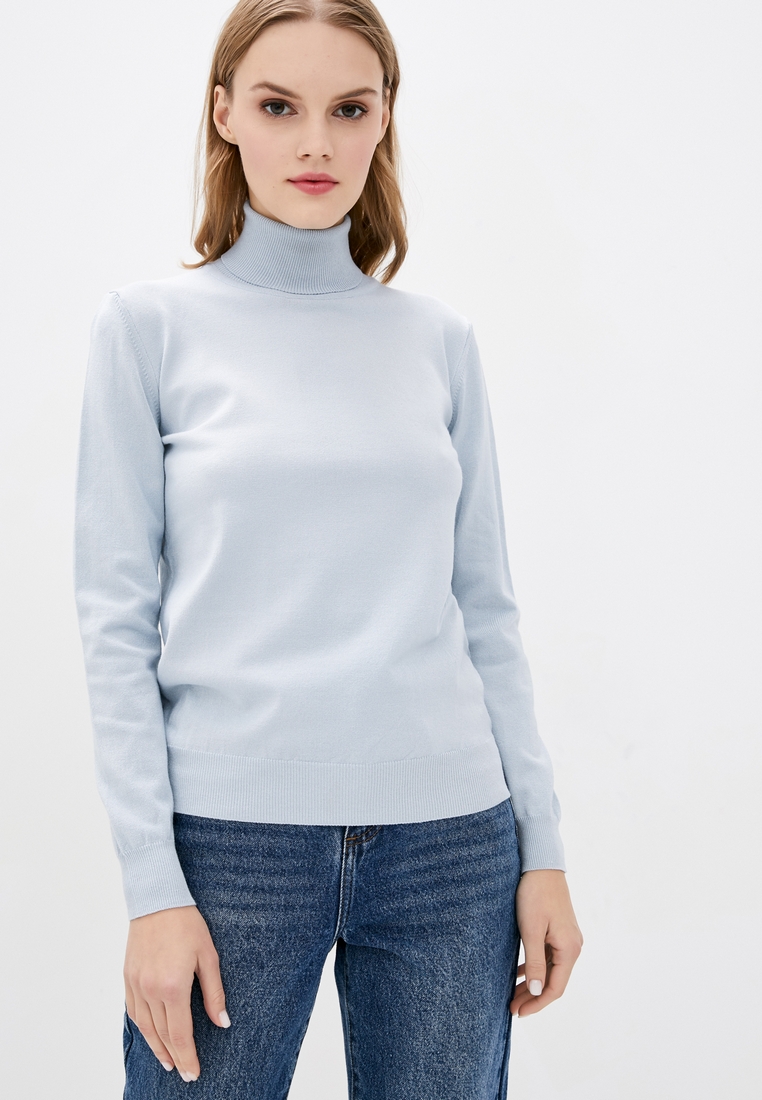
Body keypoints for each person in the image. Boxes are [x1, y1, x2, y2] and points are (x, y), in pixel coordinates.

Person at [73, 1, 583, 1096]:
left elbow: (487, 611)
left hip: (452, 845)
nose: (316, 143)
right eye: (278, 106)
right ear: (224, 114)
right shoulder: (149, 329)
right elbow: (115, 624)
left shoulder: (439, 341)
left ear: (384, 117)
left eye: (348, 109)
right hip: (231, 846)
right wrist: (152, 886)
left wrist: (542, 849)